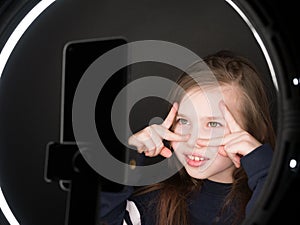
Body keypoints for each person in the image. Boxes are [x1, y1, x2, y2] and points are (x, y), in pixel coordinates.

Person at [99, 50, 276, 225]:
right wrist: (124, 160)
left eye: (213, 124)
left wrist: (266, 169)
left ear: (253, 131)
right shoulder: (152, 203)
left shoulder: (264, 193)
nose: (192, 141)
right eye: (183, 121)